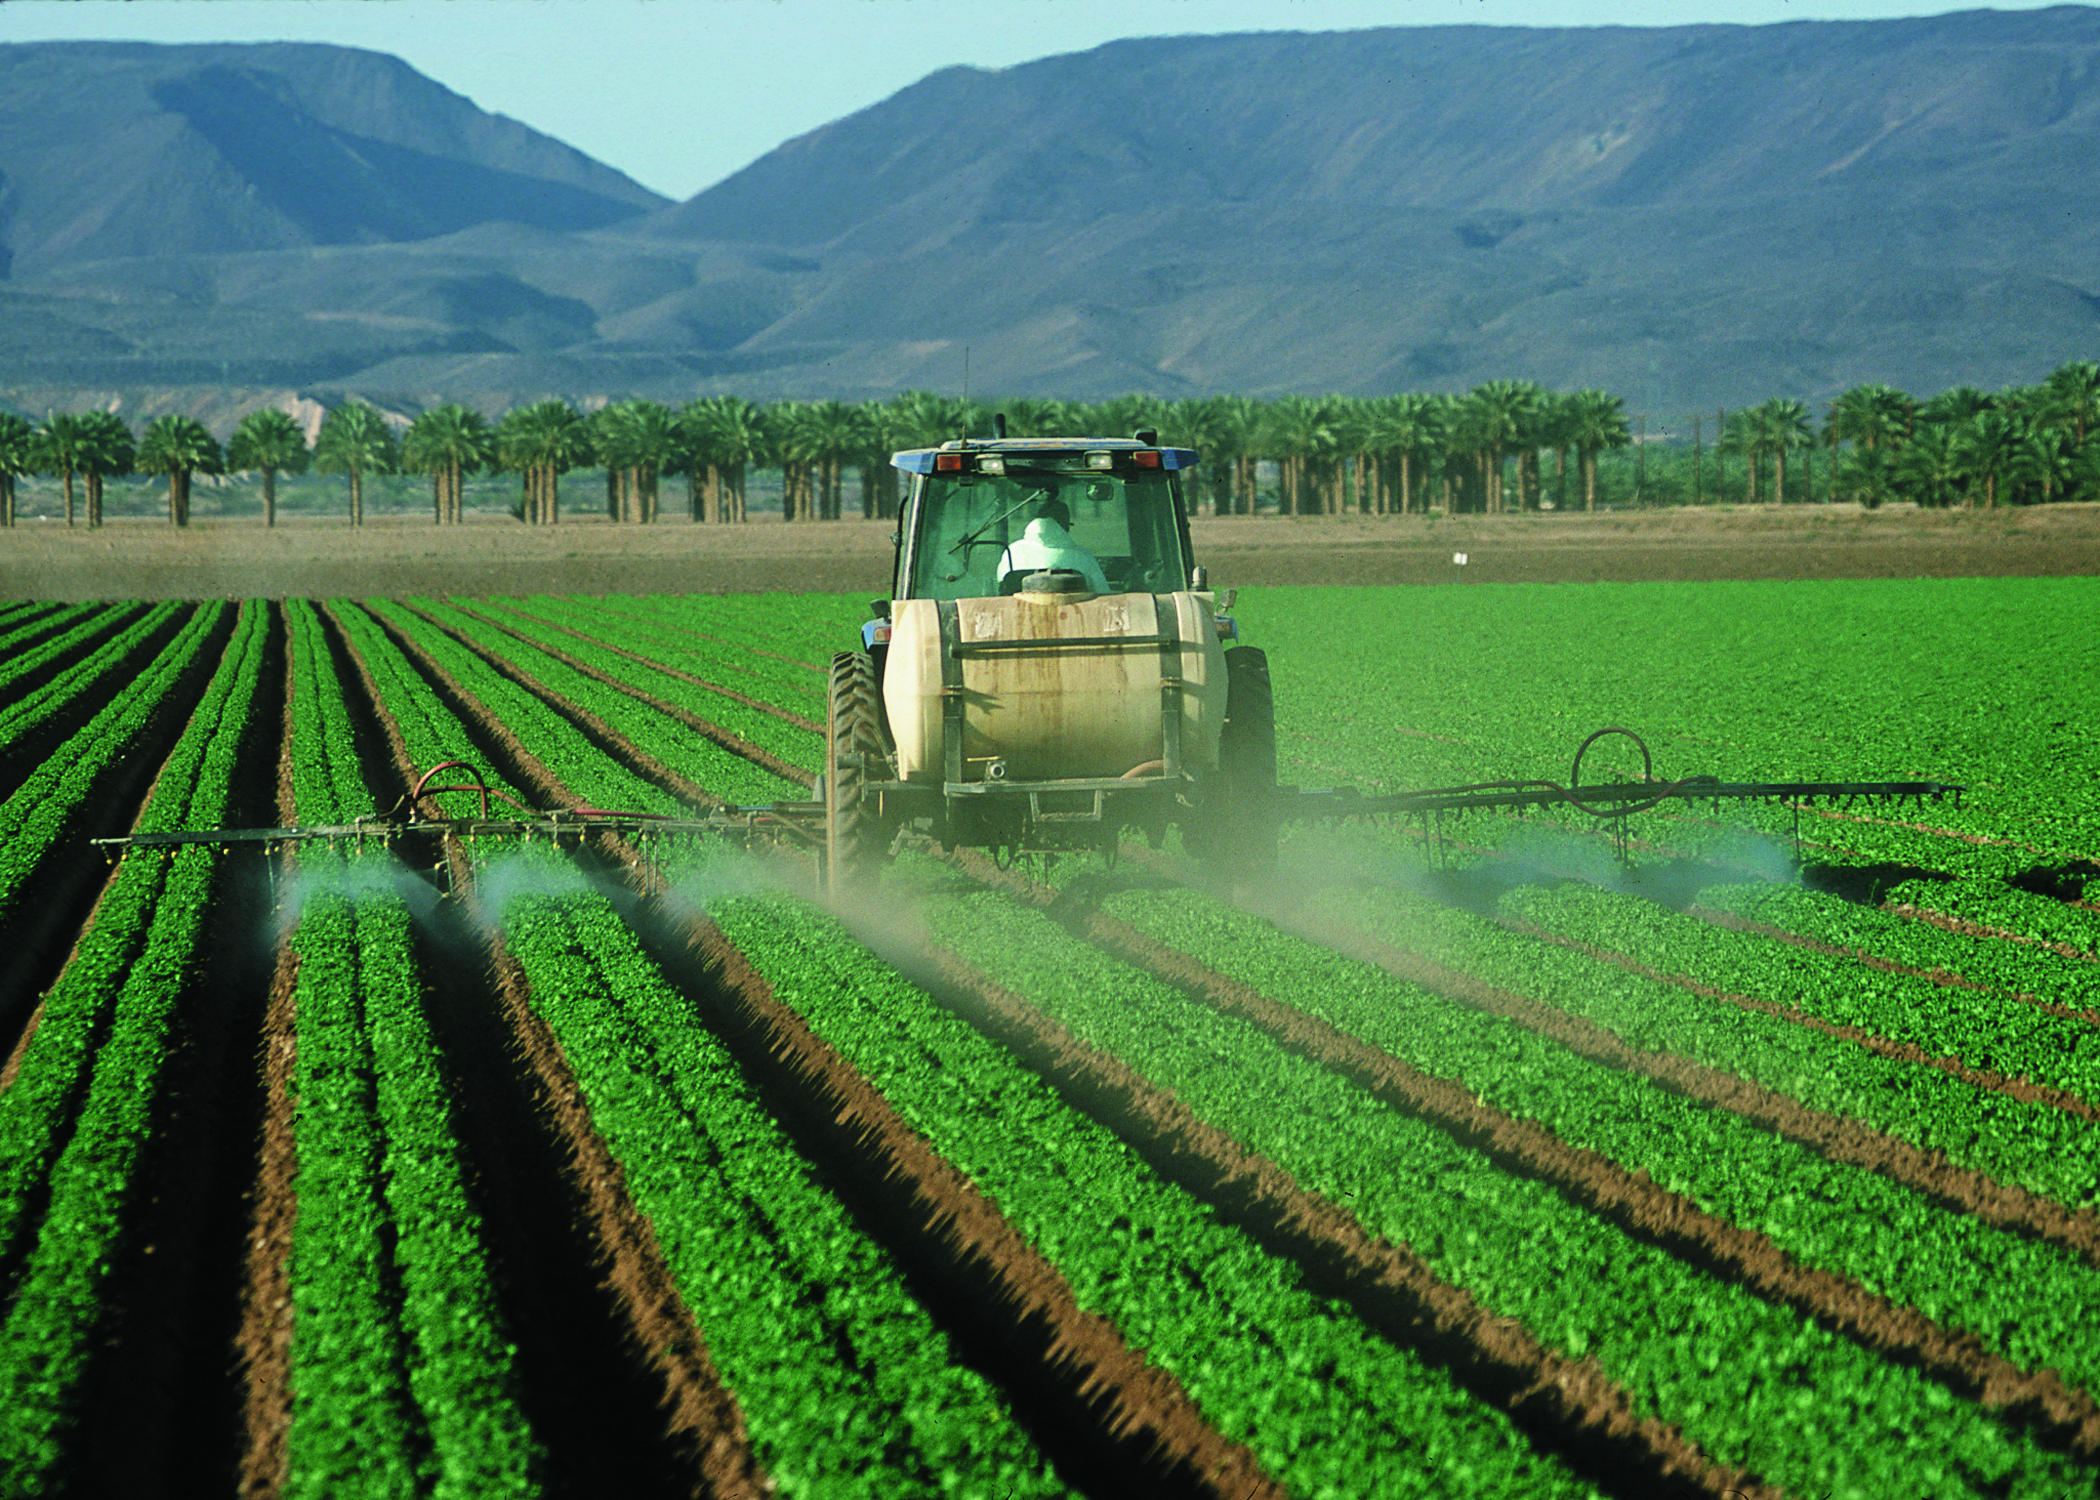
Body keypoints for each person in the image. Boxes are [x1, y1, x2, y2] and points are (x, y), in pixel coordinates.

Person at [997, 495, 1111, 594]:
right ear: (1065, 525)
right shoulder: (1082, 556)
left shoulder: (1012, 551)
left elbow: (1000, 587)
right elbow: (1102, 593)